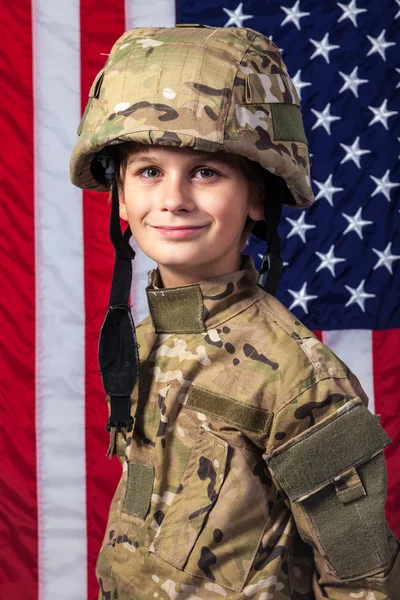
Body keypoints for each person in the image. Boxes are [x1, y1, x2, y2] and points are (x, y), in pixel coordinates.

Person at [69, 24, 400, 600]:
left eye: (205, 171)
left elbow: (360, 579)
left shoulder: (299, 376)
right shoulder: (144, 341)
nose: (174, 198)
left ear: (256, 198)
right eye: (149, 171)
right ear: (120, 196)